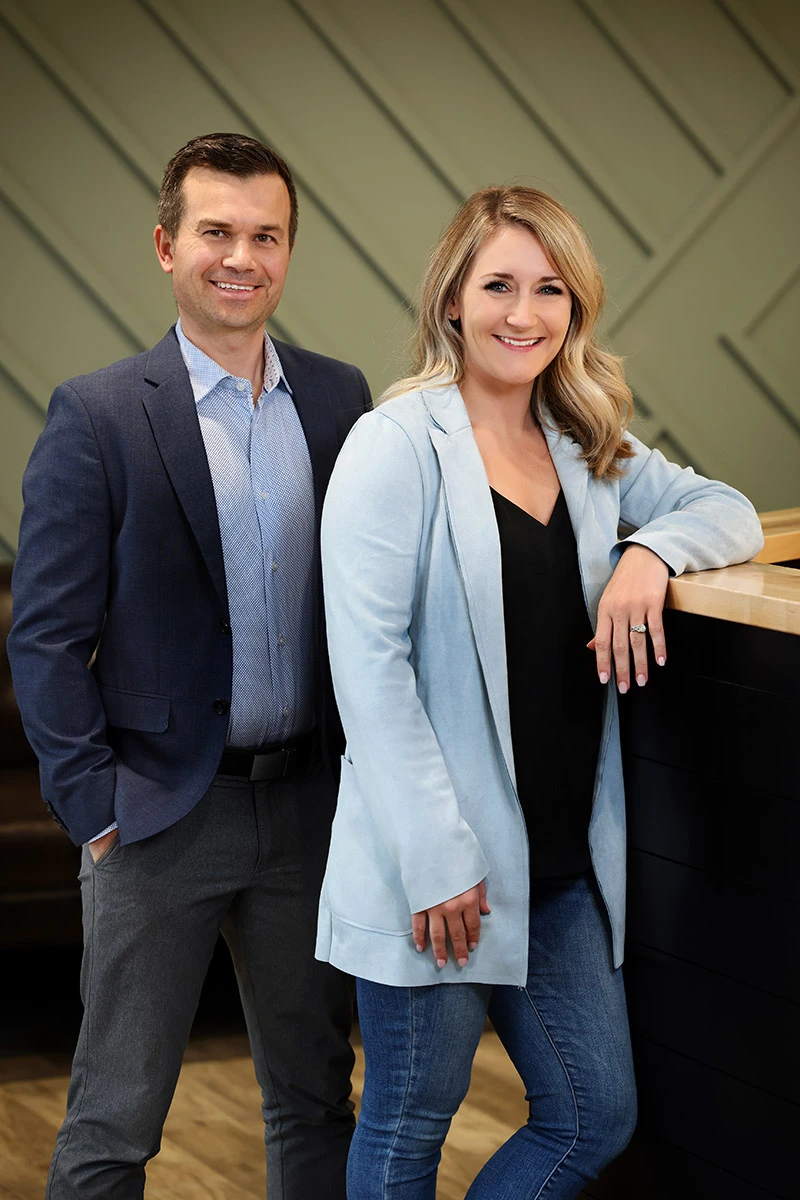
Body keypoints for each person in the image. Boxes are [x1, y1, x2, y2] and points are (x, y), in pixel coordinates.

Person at [315, 185, 764, 1198]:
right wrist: (436, 860)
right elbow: (368, 670)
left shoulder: (582, 440)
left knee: (590, 1118)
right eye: (499, 286)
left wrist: (649, 550)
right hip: (438, 869)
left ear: (575, 307)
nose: (523, 313)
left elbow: (724, 509)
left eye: (548, 289)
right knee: (404, 1131)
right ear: (451, 301)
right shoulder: (394, 447)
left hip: (560, 869)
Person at [8, 132, 371, 1200]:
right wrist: (92, 806)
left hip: (308, 808)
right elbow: (44, 634)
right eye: (216, 231)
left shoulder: (341, 400)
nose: (240, 257)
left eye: (265, 236)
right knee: (115, 1122)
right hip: (157, 816)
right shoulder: (100, 413)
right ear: (167, 245)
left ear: (288, 252)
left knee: (314, 1099)